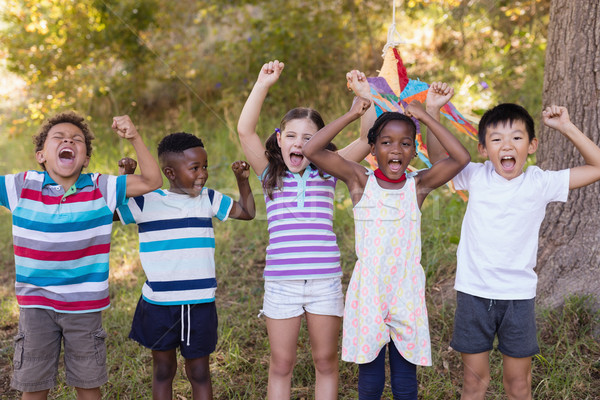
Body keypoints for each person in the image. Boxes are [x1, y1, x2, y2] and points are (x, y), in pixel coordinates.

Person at [425, 97, 600, 400]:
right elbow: (440, 162)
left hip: (518, 298)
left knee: (518, 386)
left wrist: (566, 126)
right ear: (483, 149)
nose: (507, 145)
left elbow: (596, 166)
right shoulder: (474, 175)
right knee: (474, 384)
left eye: (516, 138)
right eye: (496, 139)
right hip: (474, 293)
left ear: (531, 146)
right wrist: (432, 112)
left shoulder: (539, 182)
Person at [302, 90, 470, 399]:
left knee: (406, 378)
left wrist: (427, 117)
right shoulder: (358, 180)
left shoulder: (417, 185)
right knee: (371, 377)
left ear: (413, 149)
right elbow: (312, 150)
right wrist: (353, 114)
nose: (396, 149)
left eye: (406, 143)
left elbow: (462, 158)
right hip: (369, 291)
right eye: (386, 142)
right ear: (373, 147)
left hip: (406, 290)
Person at [236, 60, 376, 400]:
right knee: (281, 363)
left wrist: (364, 95)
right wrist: (262, 84)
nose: (299, 144)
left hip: (324, 281)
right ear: (280, 139)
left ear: (322, 142)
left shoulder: (330, 169)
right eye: (293, 136)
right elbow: (245, 131)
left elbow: (367, 139)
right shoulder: (269, 172)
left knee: (325, 362)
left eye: (310, 138)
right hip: (281, 283)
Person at [2, 112, 162, 400]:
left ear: (86, 158)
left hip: (85, 307)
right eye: (59, 138)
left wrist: (134, 137)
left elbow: (152, 180)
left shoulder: (102, 188)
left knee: (89, 385)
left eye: (77, 140)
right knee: (34, 386)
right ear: (41, 155)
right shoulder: (21, 186)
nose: (68, 141)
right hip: (36, 305)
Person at [116, 132, 255, 400]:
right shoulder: (146, 200)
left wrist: (243, 182)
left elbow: (248, 212)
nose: (202, 174)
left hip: (199, 303)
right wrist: (126, 179)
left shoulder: (209, 199)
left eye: (204, 166)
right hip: (158, 305)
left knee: (200, 372)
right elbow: (110, 211)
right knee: (163, 370)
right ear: (169, 172)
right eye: (195, 168)